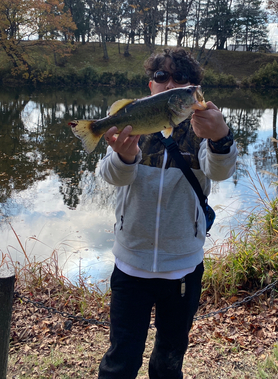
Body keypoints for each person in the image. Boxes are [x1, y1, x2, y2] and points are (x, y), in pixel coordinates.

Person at [98, 48, 238, 379]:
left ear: (194, 89)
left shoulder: (204, 127)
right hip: (131, 264)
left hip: (183, 268)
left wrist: (221, 137)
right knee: (120, 360)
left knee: (169, 359)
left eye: (180, 79)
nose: (170, 83)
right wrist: (125, 157)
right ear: (151, 85)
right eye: (162, 77)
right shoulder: (132, 120)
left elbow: (219, 172)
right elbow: (110, 176)